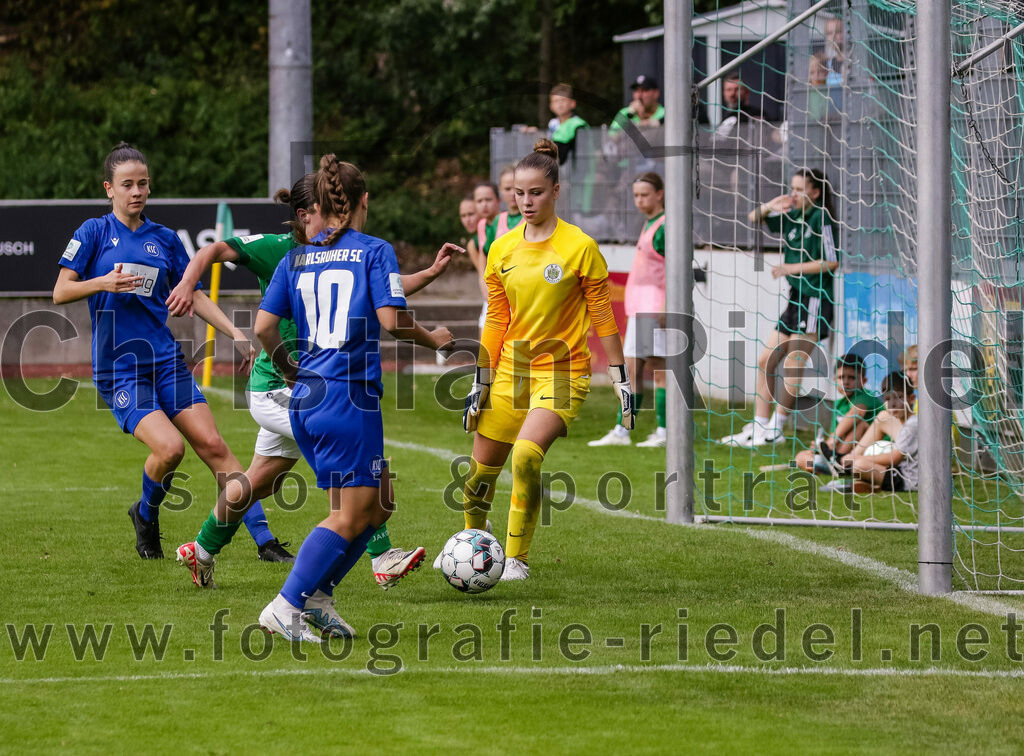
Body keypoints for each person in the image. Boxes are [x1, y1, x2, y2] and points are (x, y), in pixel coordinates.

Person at [169, 174, 459, 590]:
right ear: (306, 214)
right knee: (353, 469)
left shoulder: (335, 251)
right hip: (283, 387)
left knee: (260, 480)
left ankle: (201, 551)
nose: (338, 218)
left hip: (300, 386)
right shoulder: (282, 250)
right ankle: (379, 557)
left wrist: (429, 272)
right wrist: (185, 283)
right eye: (328, 210)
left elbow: (380, 291)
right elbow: (215, 249)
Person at [254, 154, 456, 642]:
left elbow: (262, 327)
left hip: (307, 396)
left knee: (379, 503)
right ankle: (286, 605)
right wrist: (434, 338)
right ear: (363, 201)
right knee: (347, 514)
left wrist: (286, 366)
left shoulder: (294, 256)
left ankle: (320, 598)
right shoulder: (373, 249)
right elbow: (391, 321)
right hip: (348, 398)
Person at [440, 138, 633, 582]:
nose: (526, 202)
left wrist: (622, 381)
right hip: (509, 371)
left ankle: (516, 559)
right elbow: (496, 321)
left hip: (563, 372)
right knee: (477, 480)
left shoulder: (579, 246)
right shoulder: (501, 248)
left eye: (537, 193)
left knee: (526, 456)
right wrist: (480, 380)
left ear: (556, 191)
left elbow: (603, 317)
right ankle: (473, 548)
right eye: (519, 194)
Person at [52, 142, 256, 560]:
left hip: (165, 362)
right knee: (170, 449)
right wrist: (101, 283)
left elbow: (193, 294)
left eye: (143, 183)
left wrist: (235, 332)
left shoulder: (164, 239)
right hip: (119, 370)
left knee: (214, 445)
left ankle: (266, 541)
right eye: (127, 184)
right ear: (109, 188)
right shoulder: (92, 233)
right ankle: (146, 514)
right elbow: (60, 291)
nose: (137, 191)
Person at [720, 168, 840, 447]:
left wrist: (791, 267)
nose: (793, 194)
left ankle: (778, 426)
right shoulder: (793, 216)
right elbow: (754, 217)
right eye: (792, 188)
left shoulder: (822, 218)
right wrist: (772, 205)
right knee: (766, 360)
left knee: (794, 362)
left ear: (815, 192)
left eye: (799, 189)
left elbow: (831, 262)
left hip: (815, 299)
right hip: (795, 298)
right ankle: (759, 426)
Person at [590, 171, 668, 448]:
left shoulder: (664, 226)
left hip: (655, 308)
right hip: (640, 309)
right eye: (636, 195)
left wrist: (666, 307)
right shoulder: (650, 224)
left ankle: (664, 431)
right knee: (633, 369)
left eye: (644, 194)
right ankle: (624, 430)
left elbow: (674, 269)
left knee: (659, 368)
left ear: (660, 194)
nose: (639, 200)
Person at [793, 353, 884, 474]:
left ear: (864, 381)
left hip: (871, 451)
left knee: (861, 425)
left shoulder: (865, 396)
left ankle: (835, 462)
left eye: (852, 378)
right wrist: (821, 447)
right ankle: (820, 465)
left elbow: (857, 413)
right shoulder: (838, 404)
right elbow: (835, 433)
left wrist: (830, 442)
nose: (846, 382)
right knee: (800, 456)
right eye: (841, 378)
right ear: (835, 380)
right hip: (840, 451)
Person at [846, 370, 918, 491]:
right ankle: (871, 485)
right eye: (888, 399)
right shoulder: (907, 423)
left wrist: (861, 459)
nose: (892, 404)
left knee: (859, 466)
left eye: (898, 397)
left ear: (911, 398)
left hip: (907, 480)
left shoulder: (912, 426)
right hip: (900, 472)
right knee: (860, 466)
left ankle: (872, 484)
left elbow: (894, 458)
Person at [548, 83, 588, 165]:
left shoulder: (577, 124)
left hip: (580, 175)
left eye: (563, 100)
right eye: (556, 101)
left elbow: (558, 158)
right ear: (551, 106)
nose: (560, 104)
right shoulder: (553, 124)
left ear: (572, 103)